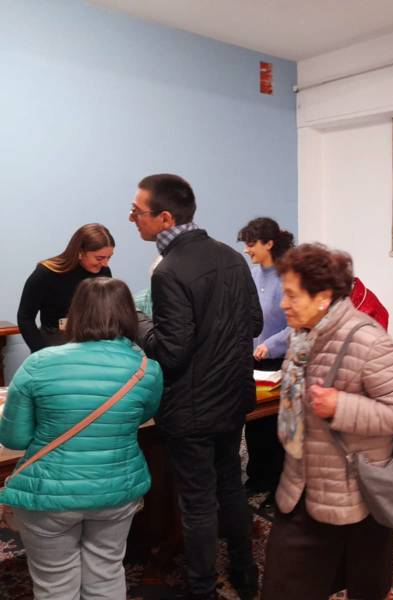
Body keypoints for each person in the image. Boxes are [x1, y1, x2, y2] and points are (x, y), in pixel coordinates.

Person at [260, 243, 393, 600]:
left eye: (291, 295)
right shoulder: (303, 336)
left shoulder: (367, 340)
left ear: (322, 298)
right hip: (304, 482)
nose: (283, 304)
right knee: (285, 582)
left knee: (360, 580)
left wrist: (341, 406)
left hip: (356, 492)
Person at [130, 174, 263, 600]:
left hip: (191, 409)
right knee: (230, 485)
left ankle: (202, 589)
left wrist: (139, 322)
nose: (132, 218)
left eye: (137, 211)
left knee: (198, 500)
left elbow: (171, 353)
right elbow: (254, 323)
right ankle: (245, 572)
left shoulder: (168, 270)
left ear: (165, 218)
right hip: (233, 397)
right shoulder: (232, 257)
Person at [0, 277, 162, 599]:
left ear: (76, 312)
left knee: (55, 583)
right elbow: (143, 417)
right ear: (129, 314)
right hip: (116, 489)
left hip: (49, 493)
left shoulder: (38, 363)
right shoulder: (147, 369)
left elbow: (15, 438)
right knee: (107, 571)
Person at [237, 217, 294, 497]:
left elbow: (297, 324)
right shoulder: (253, 274)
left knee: (275, 427)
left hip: (278, 360)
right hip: (254, 360)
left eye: (251, 244)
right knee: (254, 423)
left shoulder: (288, 277)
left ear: (269, 243)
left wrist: (270, 345)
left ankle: (277, 484)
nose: (246, 249)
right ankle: (257, 477)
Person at [17, 223, 115, 352]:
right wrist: (41, 352)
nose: (105, 263)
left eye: (109, 257)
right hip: (54, 343)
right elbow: (25, 318)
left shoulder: (104, 272)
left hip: (91, 341)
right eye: (99, 258)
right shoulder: (45, 273)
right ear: (80, 252)